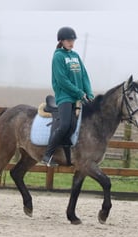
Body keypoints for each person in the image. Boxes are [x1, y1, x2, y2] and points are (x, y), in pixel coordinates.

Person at [41, 26, 94, 167]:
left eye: (72, 40)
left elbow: (84, 76)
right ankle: (48, 155)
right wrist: (79, 93)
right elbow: (62, 80)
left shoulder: (75, 56)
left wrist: (89, 93)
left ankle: (66, 153)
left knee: (74, 125)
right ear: (61, 41)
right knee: (64, 125)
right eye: (68, 40)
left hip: (77, 96)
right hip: (64, 96)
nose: (71, 42)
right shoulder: (58, 56)